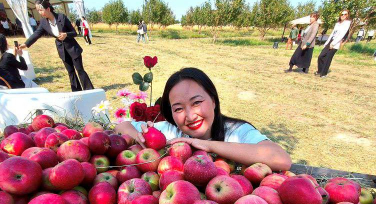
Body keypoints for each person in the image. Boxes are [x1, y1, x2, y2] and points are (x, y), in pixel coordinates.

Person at [115, 68, 292, 171]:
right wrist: (140, 136)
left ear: (213, 100)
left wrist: (208, 145)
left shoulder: (236, 132)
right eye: (178, 108)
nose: (190, 116)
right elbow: (122, 125)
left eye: (197, 102)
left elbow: (281, 158)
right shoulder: (172, 131)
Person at [20, 0, 94, 92]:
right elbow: (36, 34)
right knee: (70, 72)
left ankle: (89, 90)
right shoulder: (43, 23)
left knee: (80, 70)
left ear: (48, 9)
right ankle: (76, 92)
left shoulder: (61, 17)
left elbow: (74, 32)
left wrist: (66, 34)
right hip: (62, 50)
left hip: (72, 48)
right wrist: (26, 44)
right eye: (38, 10)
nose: (39, 12)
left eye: (41, 10)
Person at [315, 9, 351, 78]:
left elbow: (342, 34)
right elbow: (332, 33)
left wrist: (333, 43)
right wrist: (327, 43)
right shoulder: (337, 23)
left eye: (345, 14)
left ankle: (323, 73)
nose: (343, 16)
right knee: (321, 56)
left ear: (347, 15)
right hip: (331, 40)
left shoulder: (347, 23)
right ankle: (320, 70)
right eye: (342, 14)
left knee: (328, 58)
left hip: (336, 42)